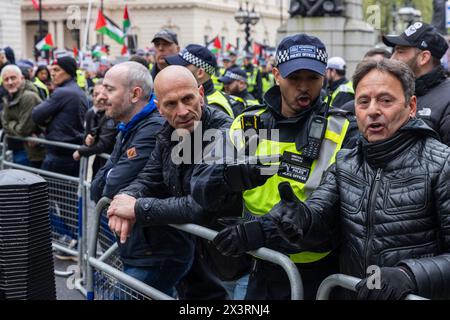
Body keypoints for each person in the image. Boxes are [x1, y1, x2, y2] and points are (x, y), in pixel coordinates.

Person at [264, 58, 450, 300]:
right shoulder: (345, 162)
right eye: (363, 101)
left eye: (385, 100)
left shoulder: (443, 163)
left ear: (411, 106)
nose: (373, 110)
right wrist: (301, 220)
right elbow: (320, 221)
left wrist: (410, 275)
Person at [192, 34, 357, 300]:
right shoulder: (248, 122)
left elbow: (338, 211)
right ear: (277, 75)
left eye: (312, 78)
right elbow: (199, 187)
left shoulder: (345, 129)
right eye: (294, 78)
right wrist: (227, 178)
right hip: (260, 265)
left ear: (324, 77)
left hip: (320, 274)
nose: (304, 87)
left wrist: (262, 232)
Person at [105, 66, 242, 299]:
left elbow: (202, 205)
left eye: (187, 99)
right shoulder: (168, 132)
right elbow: (149, 177)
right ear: (159, 108)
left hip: (237, 260)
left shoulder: (224, 133)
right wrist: (125, 197)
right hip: (201, 251)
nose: (183, 111)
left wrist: (137, 208)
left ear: (200, 94)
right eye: (171, 104)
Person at [90, 61, 167, 296]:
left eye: (110, 89)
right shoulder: (128, 126)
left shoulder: (152, 127)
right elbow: (101, 182)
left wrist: (110, 179)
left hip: (154, 252)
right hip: (142, 248)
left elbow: (110, 184)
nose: (102, 96)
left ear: (135, 94)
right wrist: (109, 177)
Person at [383, 22, 450, 145]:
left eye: (400, 51)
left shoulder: (447, 100)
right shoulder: (395, 92)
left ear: (424, 58)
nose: (392, 58)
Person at [32, 56, 87, 177]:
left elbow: (36, 115)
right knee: (67, 193)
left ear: (68, 71)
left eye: (57, 70)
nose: (52, 74)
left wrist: (47, 120)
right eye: (52, 70)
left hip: (58, 154)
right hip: (72, 151)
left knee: (48, 193)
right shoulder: (79, 91)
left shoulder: (63, 92)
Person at [165, 44, 244, 118]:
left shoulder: (210, 108)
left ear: (200, 73)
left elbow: (198, 133)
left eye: (182, 67)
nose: (175, 70)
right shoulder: (196, 100)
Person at [1, 64, 46, 168]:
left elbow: (24, 130)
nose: (10, 82)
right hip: (19, 148)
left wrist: (10, 124)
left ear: (21, 78)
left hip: (31, 153)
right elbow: (4, 124)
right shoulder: (8, 96)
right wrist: (11, 125)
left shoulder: (28, 96)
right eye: (6, 79)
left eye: (13, 78)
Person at [73, 79, 117, 178]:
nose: (98, 99)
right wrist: (89, 141)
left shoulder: (113, 115)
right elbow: (87, 139)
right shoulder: (91, 113)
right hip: (99, 163)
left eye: (103, 95)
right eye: (95, 95)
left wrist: (81, 151)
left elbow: (104, 143)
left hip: (112, 164)